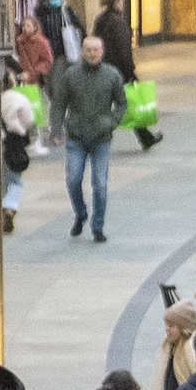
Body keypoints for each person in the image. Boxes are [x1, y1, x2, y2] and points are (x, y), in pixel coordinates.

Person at [52, 33, 126, 243]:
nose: (92, 54)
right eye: (88, 50)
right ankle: (81, 213)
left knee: (100, 184)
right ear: (82, 51)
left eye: (96, 50)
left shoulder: (112, 75)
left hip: (101, 138)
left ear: (102, 52)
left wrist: (111, 122)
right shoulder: (71, 75)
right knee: (73, 179)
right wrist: (56, 129)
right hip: (76, 137)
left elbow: (121, 103)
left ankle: (98, 226)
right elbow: (59, 103)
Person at [0, 82, 32, 235]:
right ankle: (10, 207)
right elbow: (29, 119)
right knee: (15, 181)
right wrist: (23, 132)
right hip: (13, 144)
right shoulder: (19, 97)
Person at [91, 0, 136, 84]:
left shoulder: (100, 20)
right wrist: (130, 72)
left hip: (102, 67)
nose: (123, 3)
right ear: (116, 3)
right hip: (118, 69)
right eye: (121, 1)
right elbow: (124, 50)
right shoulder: (118, 22)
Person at [35, 0, 74, 65]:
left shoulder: (65, 8)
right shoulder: (41, 10)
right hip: (47, 47)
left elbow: (76, 24)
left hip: (63, 47)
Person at [15, 15, 54, 91]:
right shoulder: (20, 41)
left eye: (28, 26)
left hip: (38, 79)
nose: (25, 28)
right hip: (23, 78)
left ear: (35, 27)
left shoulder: (42, 42)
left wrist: (31, 73)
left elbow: (47, 61)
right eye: (23, 26)